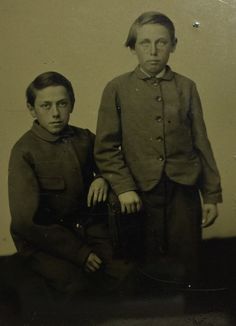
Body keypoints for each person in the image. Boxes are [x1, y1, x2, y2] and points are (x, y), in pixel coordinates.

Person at [94, 12, 222, 284]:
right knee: (145, 268)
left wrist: (211, 195)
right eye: (145, 43)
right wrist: (124, 187)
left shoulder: (187, 87)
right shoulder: (116, 88)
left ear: (173, 45)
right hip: (140, 192)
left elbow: (202, 143)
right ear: (132, 47)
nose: (153, 51)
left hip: (183, 191)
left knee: (188, 266)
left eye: (161, 43)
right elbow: (105, 148)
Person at [8, 71, 133, 309]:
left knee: (123, 274)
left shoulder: (84, 138)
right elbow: (27, 222)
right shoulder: (24, 151)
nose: (55, 113)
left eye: (62, 104)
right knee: (77, 288)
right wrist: (80, 254)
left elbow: (113, 160)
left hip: (87, 230)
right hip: (44, 242)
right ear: (32, 109)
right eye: (45, 106)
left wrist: (103, 177)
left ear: (72, 105)